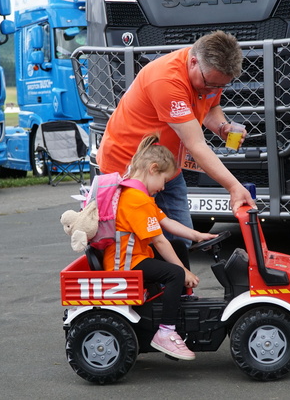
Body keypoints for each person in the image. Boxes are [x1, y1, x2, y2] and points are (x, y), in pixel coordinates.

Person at [96, 30, 256, 246]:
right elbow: (196, 144)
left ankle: (176, 278)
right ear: (192, 62)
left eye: (221, 86)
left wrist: (222, 127)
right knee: (138, 244)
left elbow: (211, 106)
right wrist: (234, 187)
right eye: (210, 83)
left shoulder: (209, 75)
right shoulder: (167, 81)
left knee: (180, 240)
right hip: (129, 168)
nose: (214, 89)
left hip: (166, 166)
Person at [103, 133, 217, 361]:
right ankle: (166, 332)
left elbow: (168, 223)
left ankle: (180, 302)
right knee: (174, 272)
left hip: (133, 256)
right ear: (153, 169)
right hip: (126, 263)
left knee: (179, 246)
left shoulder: (139, 195)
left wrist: (198, 236)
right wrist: (184, 272)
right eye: (164, 180)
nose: (164, 187)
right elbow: (159, 240)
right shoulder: (137, 200)